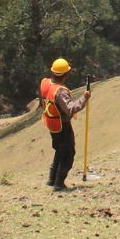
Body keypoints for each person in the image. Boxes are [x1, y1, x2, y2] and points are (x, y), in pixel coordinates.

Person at [40, 57, 92, 191]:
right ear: (66, 74)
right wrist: (84, 98)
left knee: (59, 150)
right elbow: (70, 109)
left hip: (51, 123)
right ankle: (59, 183)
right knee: (68, 153)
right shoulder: (61, 91)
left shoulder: (45, 83)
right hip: (62, 126)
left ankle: (52, 179)